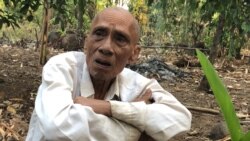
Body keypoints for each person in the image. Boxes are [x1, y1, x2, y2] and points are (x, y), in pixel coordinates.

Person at [26, 7, 191, 141]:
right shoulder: (62, 67)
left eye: (120, 39)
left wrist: (109, 108)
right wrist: (134, 130)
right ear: (86, 42)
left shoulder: (137, 84)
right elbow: (57, 127)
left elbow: (180, 119)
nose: (106, 47)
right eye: (99, 34)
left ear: (134, 54)